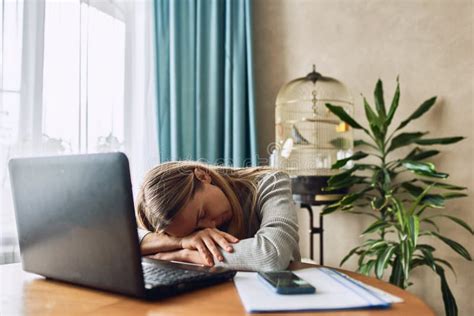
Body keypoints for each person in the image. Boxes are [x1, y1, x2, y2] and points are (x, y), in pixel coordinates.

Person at [135, 161, 300, 271]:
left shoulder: (270, 182)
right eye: (195, 230)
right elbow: (121, 243)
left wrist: (185, 254)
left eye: (202, 214)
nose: (210, 227)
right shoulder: (171, 224)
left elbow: (272, 254)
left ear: (203, 176)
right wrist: (181, 241)